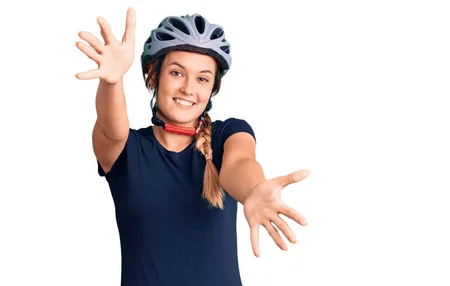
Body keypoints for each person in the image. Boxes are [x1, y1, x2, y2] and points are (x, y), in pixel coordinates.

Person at [75, 7, 310, 286]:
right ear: (153, 75)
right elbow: (111, 127)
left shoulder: (227, 134)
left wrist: (253, 191)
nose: (188, 89)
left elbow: (239, 165)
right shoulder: (127, 150)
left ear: (212, 88)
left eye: (202, 79)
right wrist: (112, 82)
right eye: (176, 73)